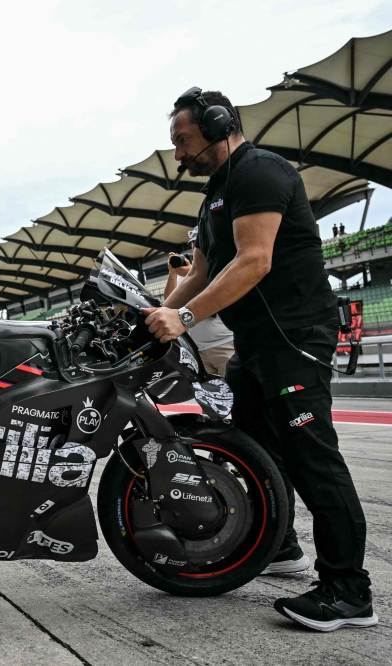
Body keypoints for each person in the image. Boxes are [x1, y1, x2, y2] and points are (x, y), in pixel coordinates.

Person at [144, 88, 375, 632]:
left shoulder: (259, 171)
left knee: (311, 459)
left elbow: (255, 260)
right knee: (252, 447)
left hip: (294, 338)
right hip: (255, 346)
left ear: (219, 125)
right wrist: (154, 317)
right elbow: (200, 273)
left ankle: (348, 589)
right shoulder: (215, 193)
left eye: (183, 141)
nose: (178, 154)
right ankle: (281, 544)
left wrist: (185, 319)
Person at [162, 229, 234, 375]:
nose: (196, 247)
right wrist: (173, 275)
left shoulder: (221, 263)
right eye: (194, 243)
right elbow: (170, 302)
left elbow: (217, 295)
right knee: (214, 395)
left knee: (239, 392)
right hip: (199, 349)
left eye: (199, 242)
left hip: (224, 343)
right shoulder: (189, 272)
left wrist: (190, 273)